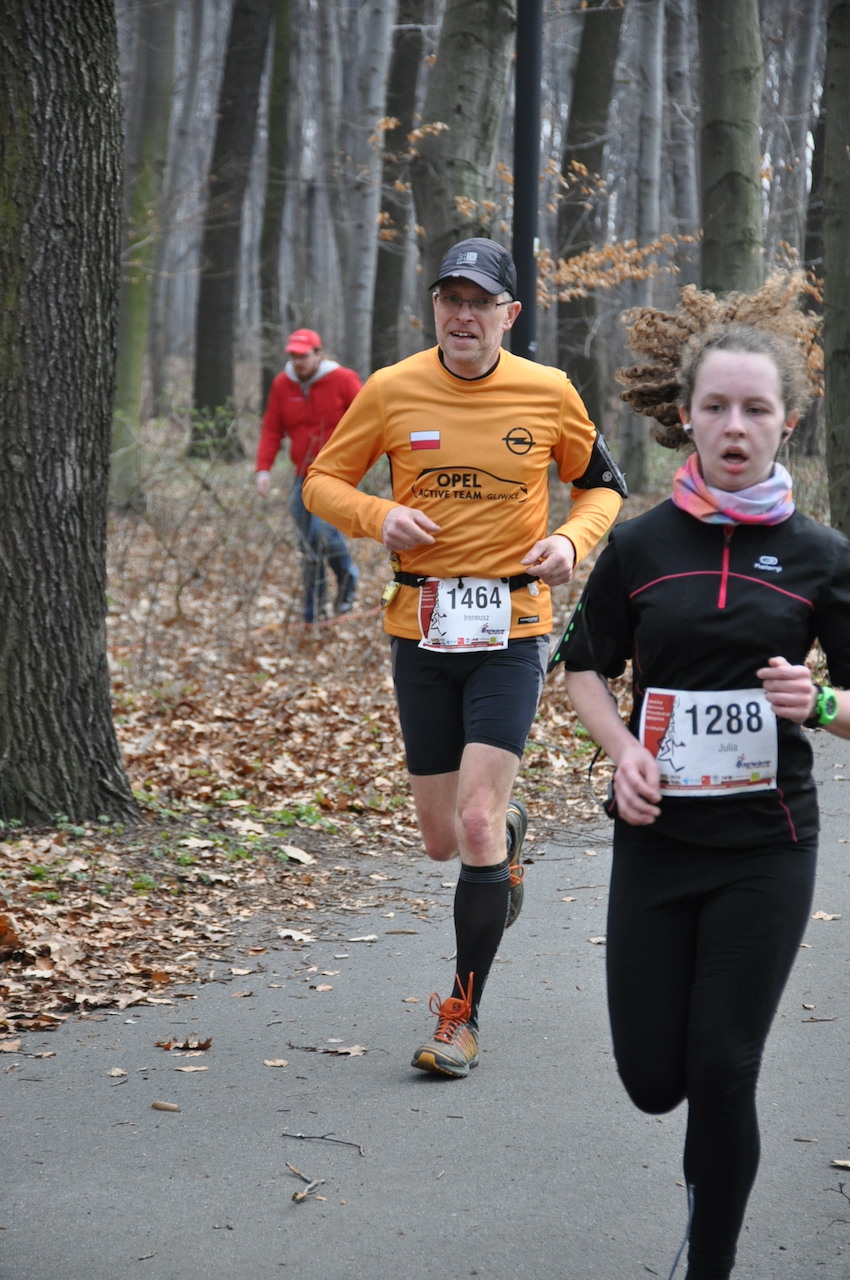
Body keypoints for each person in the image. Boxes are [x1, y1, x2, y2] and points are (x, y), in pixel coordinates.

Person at [553, 274, 850, 1280]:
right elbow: (583, 665)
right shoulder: (641, 545)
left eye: (755, 409)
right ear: (684, 416)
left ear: (787, 422)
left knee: (724, 1066)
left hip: (768, 846)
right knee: (653, 1080)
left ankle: (710, 1260)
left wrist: (817, 702)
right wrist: (624, 751)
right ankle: (700, 1167)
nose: (734, 426)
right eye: (716, 406)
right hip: (657, 839)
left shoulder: (821, 557)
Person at [303, 237, 626, 1077]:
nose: (464, 315)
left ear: (509, 315)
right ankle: (505, 840)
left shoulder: (548, 392)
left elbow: (603, 486)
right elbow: (322, 482)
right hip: (420, 628)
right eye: (452, 299)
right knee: (444, 839)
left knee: (475, 822)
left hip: (513, 628)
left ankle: (461, 1016)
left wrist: (571, 540)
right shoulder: (391, 388)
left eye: (481, 302)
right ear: (435, 308)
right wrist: (378, 516)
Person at [256, 328, 362, 623]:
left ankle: (347, 579)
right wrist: (263, 468)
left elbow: (369, 418)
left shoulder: (343, 379)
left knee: (322, 534)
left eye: (303, 356)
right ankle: (313, 611)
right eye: (293, 356)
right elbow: (272, 428)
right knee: (307, 544)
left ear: (318, 354)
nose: (298, 361)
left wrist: (358, 460)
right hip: (303, 476)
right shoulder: (283, 384)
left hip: (338, 474)